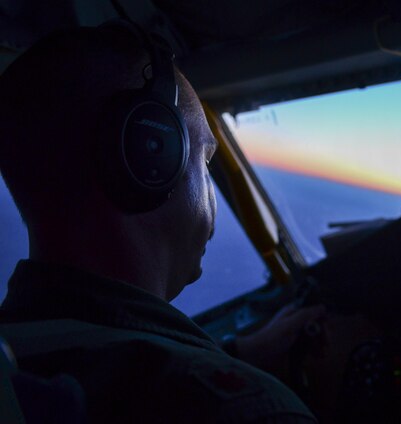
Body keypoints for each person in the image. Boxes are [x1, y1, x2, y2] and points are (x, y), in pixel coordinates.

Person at [0, 25, 322, 423]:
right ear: (148, 157)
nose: (212, 193)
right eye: (204, 160)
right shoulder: (243, 411)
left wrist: (238, 353)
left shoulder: (18, 358)